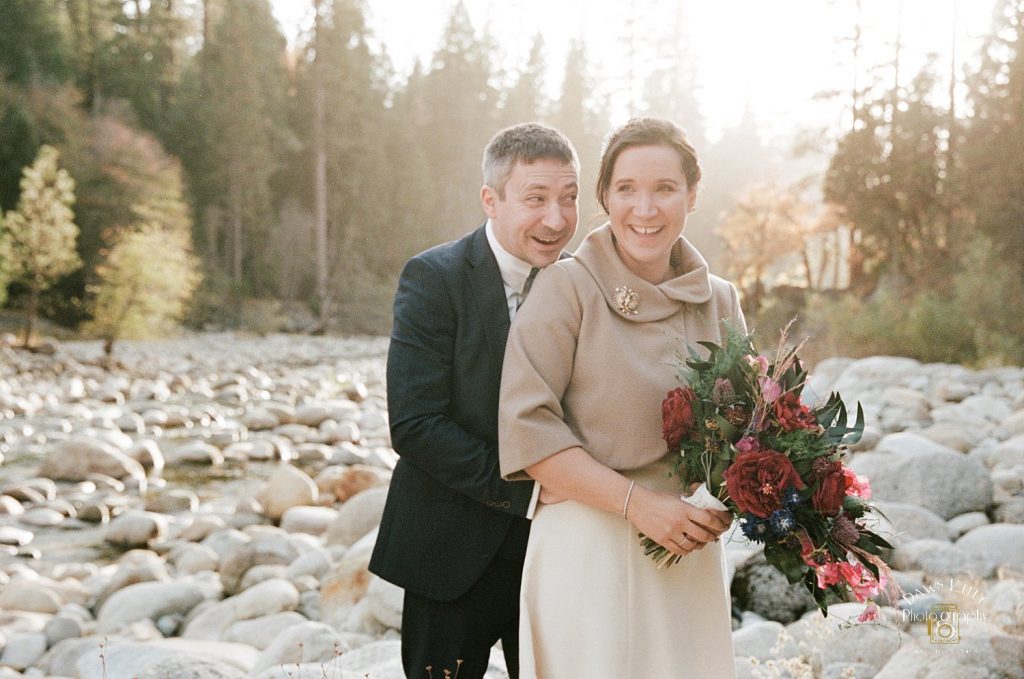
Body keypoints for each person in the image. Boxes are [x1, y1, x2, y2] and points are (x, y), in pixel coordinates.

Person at [498, 117, 745, 678]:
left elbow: (748, 432)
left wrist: (735, 500)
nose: (645, 209)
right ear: (604, 196)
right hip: (589, 546)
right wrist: (639, 506)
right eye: (627, 189)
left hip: (687, 549)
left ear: (692, 195)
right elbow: (527, 434)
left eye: (665, 189)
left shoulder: (721, 301)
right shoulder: (566, 289)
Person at [369, 122, 579, 679]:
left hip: (559, 552)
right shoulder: (434, 277)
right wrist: (535, 488)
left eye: (569, 198)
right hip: (451, 550)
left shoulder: (585, 286)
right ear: (491, 200)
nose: (556, 220)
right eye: (536, 199)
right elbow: (414, 424)